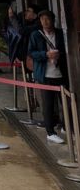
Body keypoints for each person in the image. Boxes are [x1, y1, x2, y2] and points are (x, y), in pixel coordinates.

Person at [27, 9, 68, 145]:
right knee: (48, 105)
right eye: (42, 19)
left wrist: (59, 54)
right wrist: (45, 54)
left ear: (53, 20)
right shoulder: (36, 35)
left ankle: (67, 127)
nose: (45, 22)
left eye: (47, 19)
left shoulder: (60, 34)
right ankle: (50, 133)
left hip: (61, 73)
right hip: (45, 74)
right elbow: (31, 52)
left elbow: (67, 49)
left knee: (67, 103)